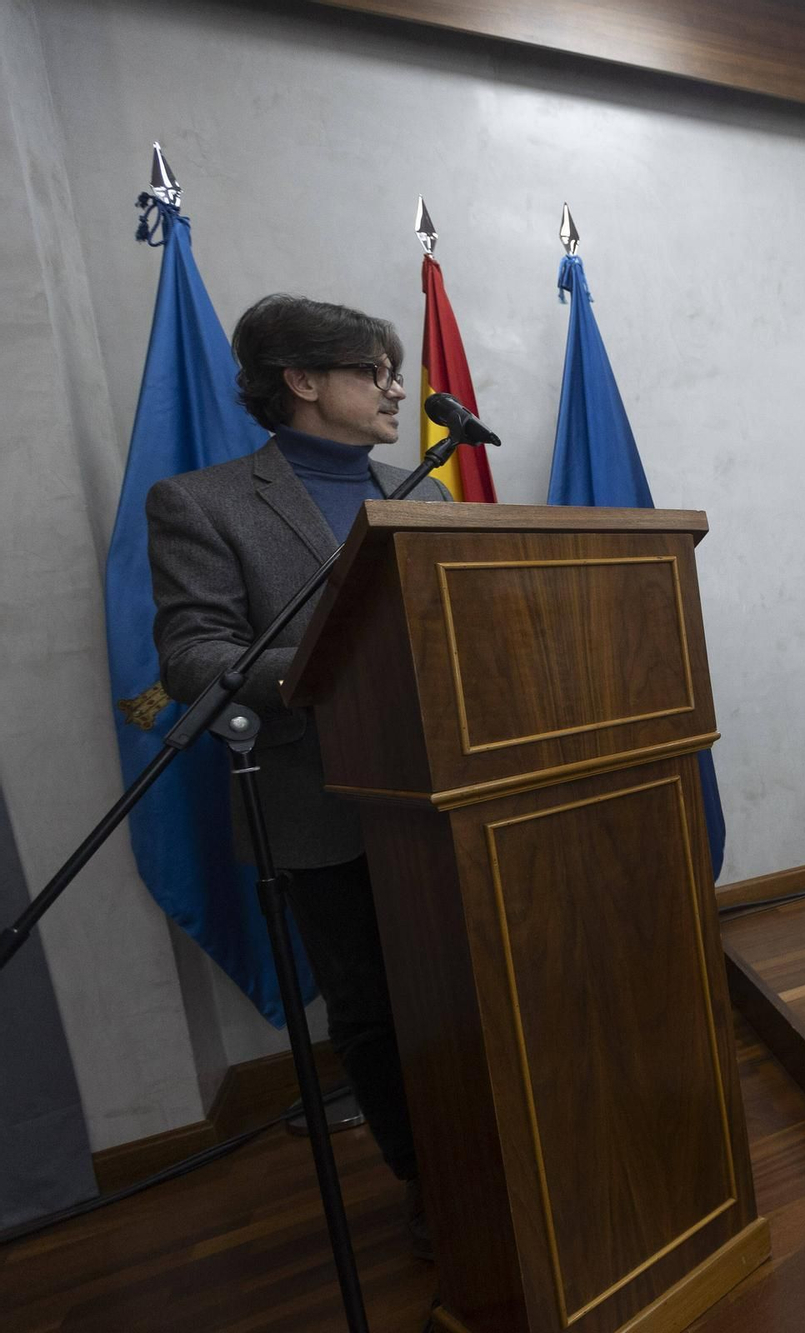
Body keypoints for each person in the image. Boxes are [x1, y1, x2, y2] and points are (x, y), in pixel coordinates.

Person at [146, 294, 451, 1259]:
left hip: (443, 796)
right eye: (375, 370)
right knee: (371, 1008)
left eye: (393, 368)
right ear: (303, 381)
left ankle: (492, 1151)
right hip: (319, 809)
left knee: (462, 994)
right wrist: (338, 663)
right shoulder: (203, 503)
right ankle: (431, 1183)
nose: (397, 387)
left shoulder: (423, 494)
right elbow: (196, 659)